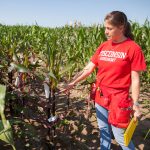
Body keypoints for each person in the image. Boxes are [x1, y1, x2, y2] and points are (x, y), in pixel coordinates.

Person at [60, 11, 146, 150]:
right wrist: (72, 83)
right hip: (100, 95)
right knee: (104, 130)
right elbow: (88, 68)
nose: (106, 32)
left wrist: (135, 103)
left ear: (122, 27)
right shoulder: (103, 46)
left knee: (120, 137)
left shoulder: (133, 48)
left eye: (109, 28)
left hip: (119, 99)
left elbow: (135, 79)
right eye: (105, 28)